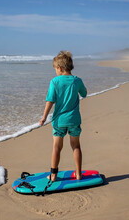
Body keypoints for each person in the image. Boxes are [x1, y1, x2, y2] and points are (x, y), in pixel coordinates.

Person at [39, 50, 87, 181]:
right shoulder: (77, 81)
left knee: (56, 147)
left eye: (55, 69)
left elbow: (50, 100)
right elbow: (84, 94)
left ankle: (53, 174)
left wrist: (44, 117)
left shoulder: (55, 82)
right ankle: (78, 174)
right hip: (74, 120)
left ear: (60, 68)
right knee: (76, 146)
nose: (55, 71)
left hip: (59, 121)